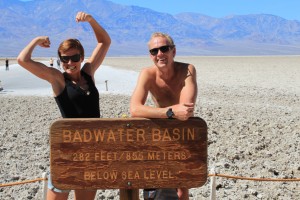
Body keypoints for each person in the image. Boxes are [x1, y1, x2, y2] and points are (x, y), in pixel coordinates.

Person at [17, 12, 111, 200]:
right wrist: (37, 40)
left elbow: (105, 42)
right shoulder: (58, 79)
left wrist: (90, 20)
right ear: (60, 60)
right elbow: (23, 60)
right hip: (67, 152)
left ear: (82, 57)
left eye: (74, 58)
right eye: (64, 59)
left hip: (92, 152)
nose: (70, 63)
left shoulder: (88, 73)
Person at [130, 32, 198, 200]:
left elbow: (186, 110)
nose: (160, 54)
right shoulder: (147, 74)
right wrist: (170, 112)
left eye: (164, 49)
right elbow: (135, 109)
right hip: (159, 133)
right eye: (154, 51)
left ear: (173, 52)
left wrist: (168, 112)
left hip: (182, 133)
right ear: (151, 55)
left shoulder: (187, 70)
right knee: (153, 184)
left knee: (182, 188)